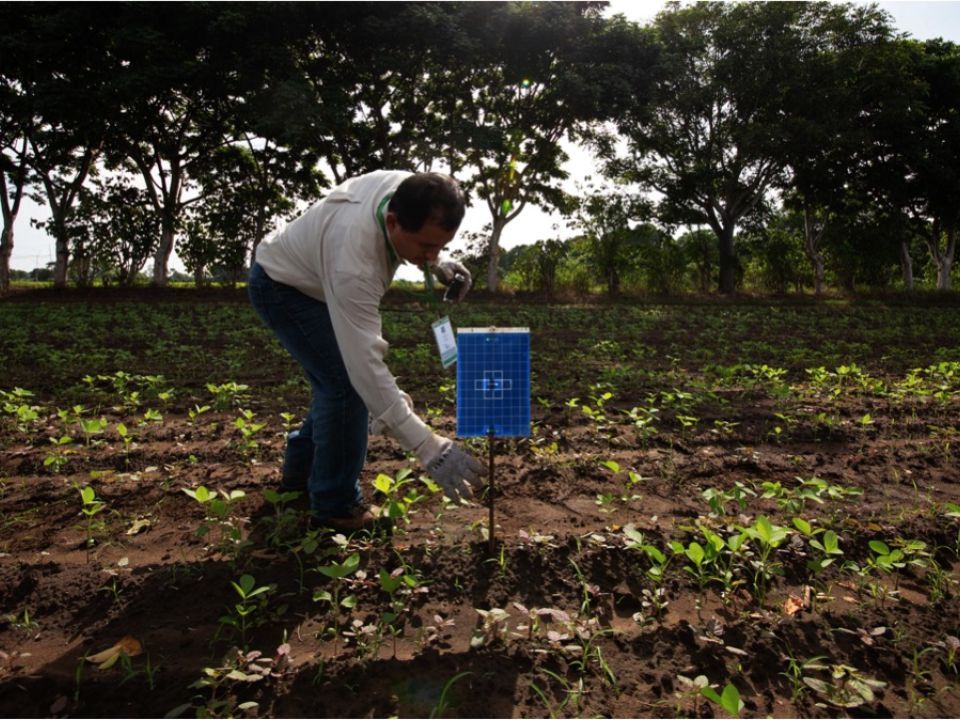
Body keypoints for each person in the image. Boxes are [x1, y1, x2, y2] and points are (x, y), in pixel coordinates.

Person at [247, 170, 484, 532]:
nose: (432, 254)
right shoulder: (355, 262)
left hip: (316, 279)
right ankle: (334, 506)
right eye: (425, 247)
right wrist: (427, 446)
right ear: (392, 222)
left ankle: (301, 475)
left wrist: (437, 262)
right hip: (283, 287)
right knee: (345, 385)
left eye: (440, 245)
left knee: (333, 381)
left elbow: (420, 233)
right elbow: (365, 371)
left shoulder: (410, 191)